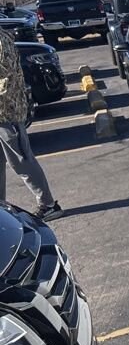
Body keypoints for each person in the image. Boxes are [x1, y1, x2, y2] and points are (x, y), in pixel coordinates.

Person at [0, 27, 62, 220]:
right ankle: (1, 211)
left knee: (22, 161)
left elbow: (6, 79)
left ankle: (49, 204)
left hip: (6, 112)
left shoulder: (1, 41)